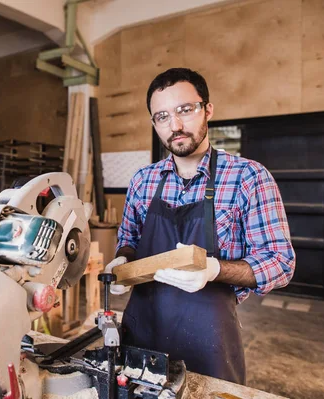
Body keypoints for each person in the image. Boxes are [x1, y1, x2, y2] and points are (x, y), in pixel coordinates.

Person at [105, 68, 295, 384]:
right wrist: (123, 260)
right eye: (162, 116)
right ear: (154, 123)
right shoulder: (143, 180)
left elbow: (280, 262)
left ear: (207, 109)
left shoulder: (248, 177)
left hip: (209, 339)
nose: (175, 126)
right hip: (142, 331)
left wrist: (214, 270)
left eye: (185, 110)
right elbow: (130, 238)